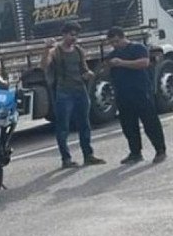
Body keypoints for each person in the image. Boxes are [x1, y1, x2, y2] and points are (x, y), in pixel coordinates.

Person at [44, 22, 106, 169]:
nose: (74, 38)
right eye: (72, 34)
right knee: (63, 126)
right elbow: (44, 65)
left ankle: (88, 155)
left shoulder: (78, 50)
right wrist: (46, 49)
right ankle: (66, 159)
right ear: (64, 34)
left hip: (80, 90)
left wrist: (88, 74)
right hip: (63, 92)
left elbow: (83, 68)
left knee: (84, 124)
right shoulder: (56, 51)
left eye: (76, 35)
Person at [106, 26, 167, 164]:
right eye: (112, 43)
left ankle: (160, 150)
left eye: (116, 41)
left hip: (140, 91)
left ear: (123, 37)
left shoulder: (137, 48)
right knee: (128, 125)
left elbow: (144, 63)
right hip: (123, 94)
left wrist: (122, 63)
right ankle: (135, 152)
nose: (115, 45)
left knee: (150, 122)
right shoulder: (112, 54)